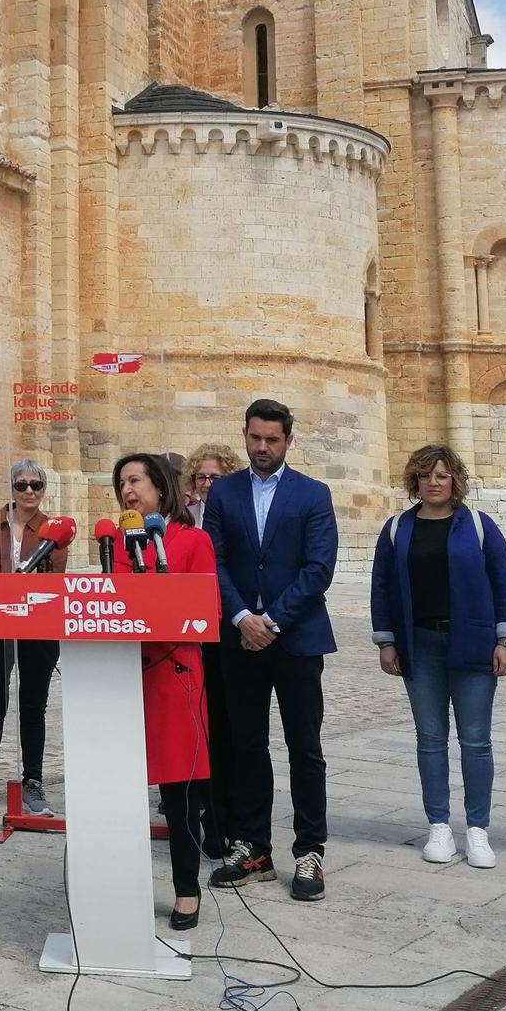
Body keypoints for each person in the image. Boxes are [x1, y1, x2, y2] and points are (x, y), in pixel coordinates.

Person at [203, 398, 337, 902]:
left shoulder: (313, 494)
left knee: (305, 748)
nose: (262, 447)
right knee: (245, 746)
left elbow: (318, 568)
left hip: (296, 638)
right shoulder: (224, 493)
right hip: (239, 639)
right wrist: (241, 617)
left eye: (272, 440)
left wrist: (272, 620)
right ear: (245, 435)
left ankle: (310, 851)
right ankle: (253, 847)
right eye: (255, 438)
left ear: (288, 440)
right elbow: (212, 560)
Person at [369, 445, 506, 870]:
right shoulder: (397, 528)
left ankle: (477, 829)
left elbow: (503, 583)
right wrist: (386, 641)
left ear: (455, 479)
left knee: (475, 739)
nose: (433, 482)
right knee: (430, 739)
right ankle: (438, 824)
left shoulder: (478, 525)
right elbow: (381, 586)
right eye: (424, 476)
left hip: (471, 642)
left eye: (441, 475)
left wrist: (505, 640)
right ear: (414, 481)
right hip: (420, 645)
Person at [116, 452, 217, 931]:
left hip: (176, 676)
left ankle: (186, 889)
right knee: (124, 787)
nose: (127, 490)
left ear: (159, 486)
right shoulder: (120, 541)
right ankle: (123, 883)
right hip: (128, 676)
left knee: (179, 796)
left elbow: (205, 609)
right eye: (122, 484)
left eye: (135, 480)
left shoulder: (192, 540)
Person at [0, 457, 64, 818]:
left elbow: (54, 573)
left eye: (35, 485)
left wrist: (11, 582)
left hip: (38, 624)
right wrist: (12, 583)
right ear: (11, 488)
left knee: (33, 703)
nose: (28, 491)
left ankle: (33, 780)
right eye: (21, 484)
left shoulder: (54, 529)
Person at [178, 443, 240, 858]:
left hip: (224, 632)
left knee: (224, 729)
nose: (206, 484)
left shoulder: (233, 519)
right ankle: (196, 809)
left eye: (215, 477)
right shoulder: (183, 522)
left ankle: (222, 819)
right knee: (194, 729)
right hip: (187, 638)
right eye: (201, 477)